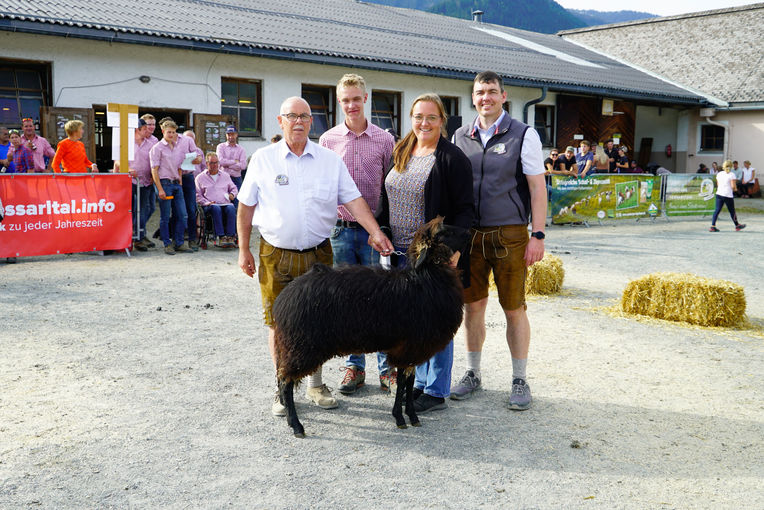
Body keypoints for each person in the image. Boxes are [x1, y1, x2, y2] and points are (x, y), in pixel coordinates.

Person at [236, 96, 393, 416]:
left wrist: (375, 232)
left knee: (319, 322)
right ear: (280, 122)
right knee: (279, 323)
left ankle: (316, 384)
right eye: (291, 116)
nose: (298, 122)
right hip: (274, 255)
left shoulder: (328, 160)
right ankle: (284, 387)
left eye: (304, 117)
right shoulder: (263, 159)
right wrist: (243, 249)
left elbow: (354, 200)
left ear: (312, 123)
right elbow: (245, 206)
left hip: (318, 255)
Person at [451, 71, 546, 410]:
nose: (485, 98)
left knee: (514, 308)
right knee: (472, 307)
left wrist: (537, 234)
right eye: (480, 92)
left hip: (510, 233)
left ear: (504, 96)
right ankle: (472, 372)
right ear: (473, 97)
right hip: (471, 235)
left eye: (492, 91)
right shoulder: (461, 135)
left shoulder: (523, 134)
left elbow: (537, 187)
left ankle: (520, 379)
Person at [376, 93, 474, 413]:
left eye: (431, 117)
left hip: (431, 256)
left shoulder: (452, 158)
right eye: (418, 117)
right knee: (411, 322)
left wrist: (453, 250)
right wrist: (383, 231)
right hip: (398, 253)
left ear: (442, 120)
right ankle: (418, 382)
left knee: (436, 322)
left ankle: (436, 390)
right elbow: (385, 197)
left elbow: (465, 211)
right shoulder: (402, 149)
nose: (424, 123)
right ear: (411, 118)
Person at [319, 73, 396, 395]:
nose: (351, 104)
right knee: (345, 301)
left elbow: (391, 186)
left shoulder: (384, 140)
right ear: (339, 102)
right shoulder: (327, 140)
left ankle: (386, 367)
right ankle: (354, 366)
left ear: (366, 99)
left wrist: (384, 229)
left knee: (378, 299)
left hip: (372, 234)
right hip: (339, 231)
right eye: (345, 100)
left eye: (356, 98)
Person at [149, 120, 192, 255]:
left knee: (183, 215)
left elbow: (180, 166)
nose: (172, 135)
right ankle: (167, 243)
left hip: (175, 184)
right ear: (163, 131)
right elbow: (154, 170)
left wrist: (179, 180)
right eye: (169, 132)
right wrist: (159, 189)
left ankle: (179, 242)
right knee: (165, 216)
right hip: (165, 184)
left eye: (173, 132)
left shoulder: (178, 148)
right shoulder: (157, 148)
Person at [196, 152, 238, 247]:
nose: (214, 165)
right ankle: (221, 236)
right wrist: (207, 202)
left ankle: (230, 236)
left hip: (224, 203)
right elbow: (198, 195)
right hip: (209, 205)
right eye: (212, 163)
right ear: (207, 163)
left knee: (231, 208)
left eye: (216, 163)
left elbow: (234, 188)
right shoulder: (200, 178)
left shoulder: (225, 175)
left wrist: (232, 194)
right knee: (215, 208)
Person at [709, 160, 745, 232]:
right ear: (731, 166)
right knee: (732, 211)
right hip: (728, 195)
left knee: (717, 210)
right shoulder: (732, 174)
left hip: (719, 194)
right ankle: (737, 225)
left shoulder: (719, 174)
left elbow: (718, 185)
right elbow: (733, 186)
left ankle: (712, 226)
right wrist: (736, 189)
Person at [216, 125, 247, 194]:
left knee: (237, 201)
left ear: (236, 135)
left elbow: (243, 166)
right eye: (228, 134)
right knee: (223, 199)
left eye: (232, 134)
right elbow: (220, 161)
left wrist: (227, 165)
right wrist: (234, 162)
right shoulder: (220, 147)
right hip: (223, 177)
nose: (230, 137)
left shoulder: (241, 149)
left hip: (236, 178)